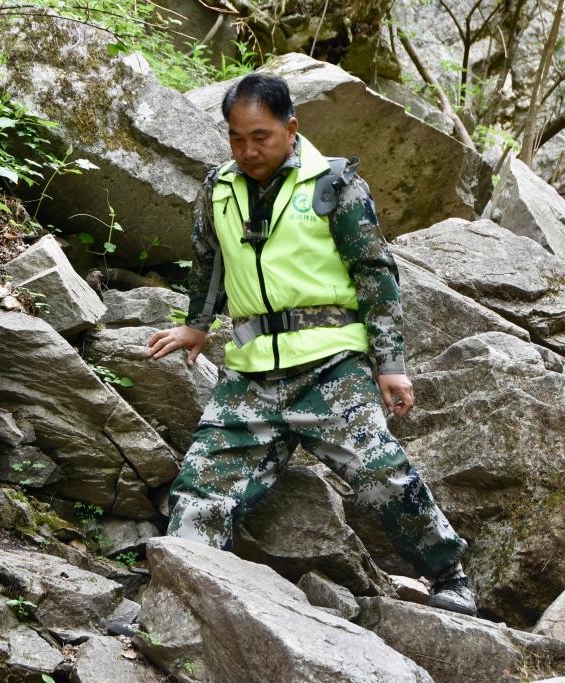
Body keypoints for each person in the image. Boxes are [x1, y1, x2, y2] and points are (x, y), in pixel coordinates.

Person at [144, 73, 476, 616]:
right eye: (236, 138)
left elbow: (375, 274)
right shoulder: (218, 188)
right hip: (249, 376)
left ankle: (450, 577)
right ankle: (178, 612)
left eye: (261, 137)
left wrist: (389, 363)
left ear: (291, 128)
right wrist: (197, 326)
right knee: (199, 495)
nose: (248, 150)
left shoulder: (335, 184)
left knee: (383, 475)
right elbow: (208, 261)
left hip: (330, 367)